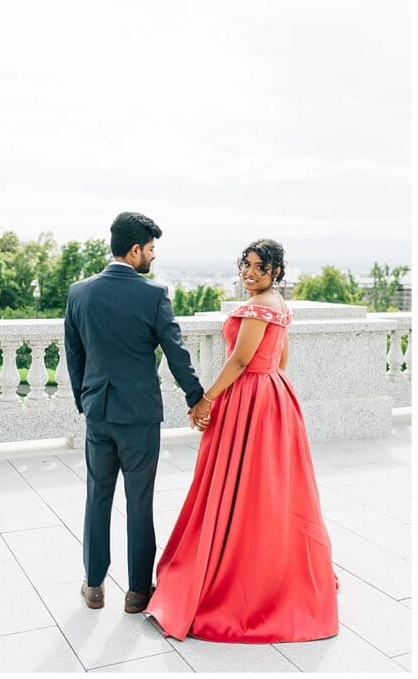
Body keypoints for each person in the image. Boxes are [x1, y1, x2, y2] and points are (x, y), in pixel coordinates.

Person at [146, 240, 338, 642]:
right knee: (269, 487)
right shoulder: (281, 305)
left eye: (260, 267)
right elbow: (280, 360)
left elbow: (239, 360)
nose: (249, 273)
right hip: (276, 396)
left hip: (250, 396)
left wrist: (206, 399)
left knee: (238, 485)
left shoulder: (257, 306)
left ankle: (235, 574)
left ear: (276, 272)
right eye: (246, 265)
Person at [65, 212, 211, 613]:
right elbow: (176, 353)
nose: (152, 257)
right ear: (134, 250)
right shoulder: (154, 295)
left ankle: (94, 586)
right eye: (150, 250)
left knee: (97, 497)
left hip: (99, 411)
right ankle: (137, 592)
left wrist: (86, 400)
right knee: (139, 501)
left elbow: (73, 354)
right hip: (140, 415)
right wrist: (195, 397)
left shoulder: (79, 293)